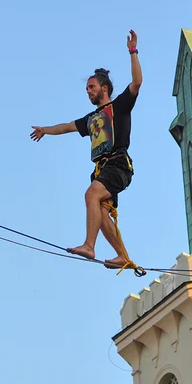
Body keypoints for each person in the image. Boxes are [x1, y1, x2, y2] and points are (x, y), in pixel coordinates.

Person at [30, 30, 142, 269]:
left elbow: (136, 82)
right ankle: (123, 256)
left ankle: (89, 246)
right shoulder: (91, 117)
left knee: (91, 195)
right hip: (102, 169)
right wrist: (44, 130)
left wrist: (133, 52)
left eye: (91, 87)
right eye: (87, 88)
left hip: (118, 164)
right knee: (100, 214)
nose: (88, 91)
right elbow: (67, 127)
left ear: (104, 88)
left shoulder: (120, 105)